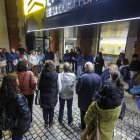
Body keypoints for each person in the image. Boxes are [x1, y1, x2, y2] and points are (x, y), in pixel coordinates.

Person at [0, 74, 31, 140]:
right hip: (17, 127)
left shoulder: (2, 93)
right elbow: (25, 114)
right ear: (13, 82)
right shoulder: (17, 97)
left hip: (9, 123)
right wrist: (22, 127)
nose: (18, 80)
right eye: (16, 79)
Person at [76, 62, 101, 130]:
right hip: (94, 101)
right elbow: (100, 90)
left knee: (82, 113)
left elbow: (77, 90)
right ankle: (91, 127)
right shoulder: (98, 77)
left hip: (83, 101)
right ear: (92, 68)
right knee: (93, 114)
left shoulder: (82, 77)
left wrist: (81, 95)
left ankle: (83, 126)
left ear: (86, 68)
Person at [38, 60, 61, 128]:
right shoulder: (56, 75)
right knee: (51, 109)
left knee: (44, 110)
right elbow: (59, 87)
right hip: (52, 96)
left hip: (43, 96)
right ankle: (51, 123)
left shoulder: (41, 74)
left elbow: (38, 85)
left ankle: (46, 123)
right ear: (53, 66)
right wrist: (56, 93)